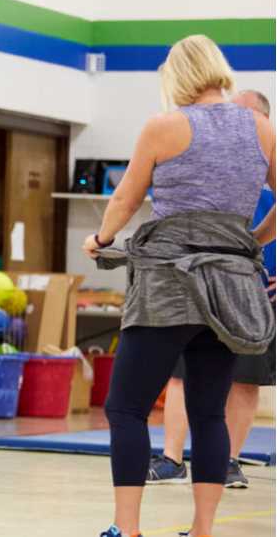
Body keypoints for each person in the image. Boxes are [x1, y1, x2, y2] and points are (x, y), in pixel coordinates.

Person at [83, 35, 275, 537]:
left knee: (125, 407)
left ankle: (127, 531)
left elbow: (126, 198)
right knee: (209, 412)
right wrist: (250, 239)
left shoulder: (164, 127)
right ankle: (202, 531)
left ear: (177, 76)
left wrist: (101, 239)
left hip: (168, 287)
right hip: (233, 289)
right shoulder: (262, 129)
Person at [147, 90, 276, 490]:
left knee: (245, 379)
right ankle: (171, 459)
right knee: (183, 374)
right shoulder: (203, 168)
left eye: (239, 114)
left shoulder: (267, 172)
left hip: (255, 293)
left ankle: (229, 462)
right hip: (198, 287)